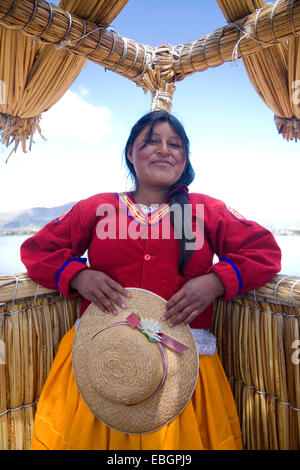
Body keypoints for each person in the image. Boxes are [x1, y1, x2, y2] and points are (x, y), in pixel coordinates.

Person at [21, 110, 281, 450]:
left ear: (184, 158)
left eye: (175, 144)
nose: (164, 149)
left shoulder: (205, 211)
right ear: (131, 153)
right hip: (100, 357)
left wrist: (217, 281)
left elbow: (264, 251)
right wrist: (78, 275)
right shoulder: (97, 208)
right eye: (152, 142)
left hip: (184, 363)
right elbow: (38, 250)